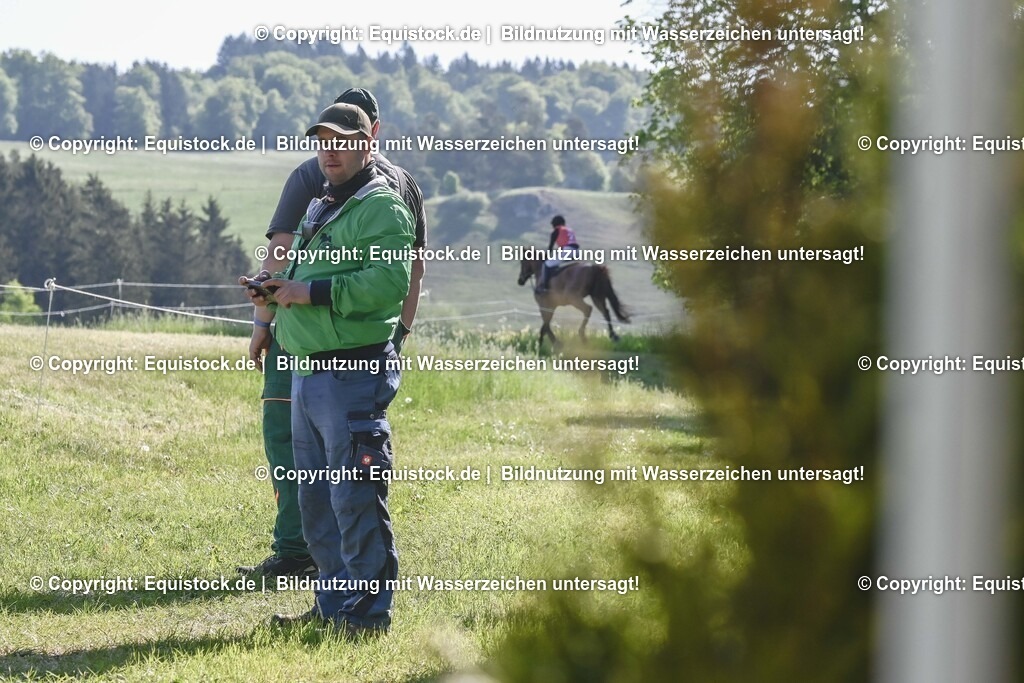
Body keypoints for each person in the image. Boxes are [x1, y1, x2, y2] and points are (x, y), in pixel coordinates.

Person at [238, 88, 426, 580]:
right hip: (325, 349)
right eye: (324, 139)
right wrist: (272, 298)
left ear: (370, 137)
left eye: (342, 139)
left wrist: (270, 321)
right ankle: (332, 593)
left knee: (331, 475)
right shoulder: (349, 189)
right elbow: (412, 273)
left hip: (334, 354)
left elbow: (392, 276)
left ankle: (329, 582)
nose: (330, 150)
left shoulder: (362, 193)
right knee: (332, 480)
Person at [537, 214, 580, 293]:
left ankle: (545, 287)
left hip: (567, 251)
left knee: (547, 264)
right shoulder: (569, 230)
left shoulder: (556, 231)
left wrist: (545, 257)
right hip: (576, 252)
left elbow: (550, 247)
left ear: (554, 224)